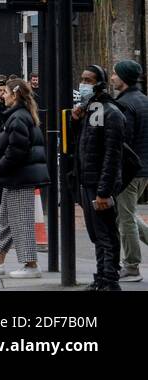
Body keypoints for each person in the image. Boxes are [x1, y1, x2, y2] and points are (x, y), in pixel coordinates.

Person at [0, 77, 49, 278]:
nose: (3, 96)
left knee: (21, 221)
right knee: (7, 221)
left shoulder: (18, 118)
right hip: (15, 177)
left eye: (6, 93)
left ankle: (31, 265)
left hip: (20, 177)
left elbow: (16, 151)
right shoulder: (18, 115)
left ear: (15, 95)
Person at [75, 64, 126, 290]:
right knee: (97, 234)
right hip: (88, 181)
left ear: (99, 84)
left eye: (88, 80)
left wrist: (104, 190)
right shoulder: (93, 110)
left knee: (106, 234)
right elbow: (85, 145)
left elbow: (111, 155)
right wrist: (76, 120)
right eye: (83, 80)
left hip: (99, 184)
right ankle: (102, 277)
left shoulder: (110, 112)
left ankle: (110, 279)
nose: (83, 84)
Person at [110, 60, 148, 283]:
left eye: (115, 74)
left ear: (123, 78)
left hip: (129, 170)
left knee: (125, 220)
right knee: (129, 214)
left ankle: (132, 266)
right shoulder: (143, 101)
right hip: (144, 168)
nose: (112, 78)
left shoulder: (125, 104)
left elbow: (123, 141)